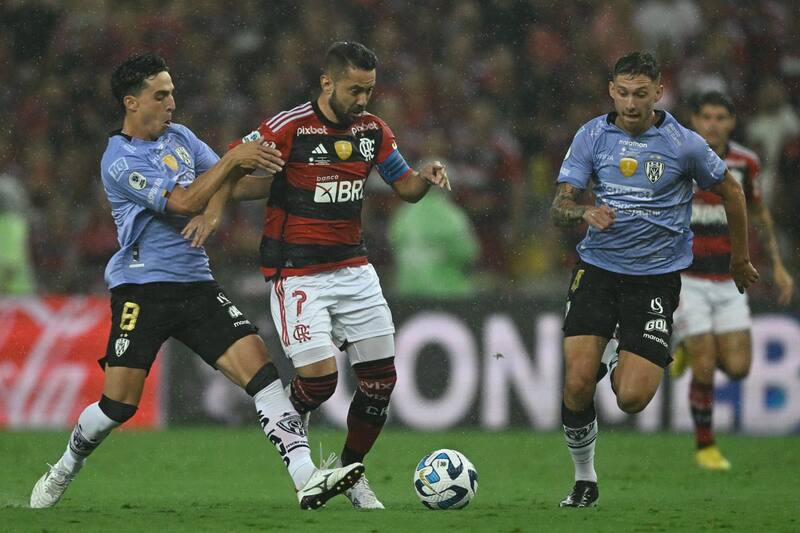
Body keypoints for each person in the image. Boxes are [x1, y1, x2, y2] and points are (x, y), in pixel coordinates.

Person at [30, 53, 364, 511]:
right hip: (142, 289)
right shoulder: (119, 159)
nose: (172, 102)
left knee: (263, 373)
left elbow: (231, 184)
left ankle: (306, 477)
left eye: (172, 92)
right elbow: (187, 201)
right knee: (118, 406)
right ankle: (67, 464)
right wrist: (232, 160)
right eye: (160, 95)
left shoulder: (181, 138)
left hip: (197, 285)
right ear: (131, 102)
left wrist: (294, 172)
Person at [224, 41, 450, 509]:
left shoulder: (373, 130)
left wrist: (425, 176)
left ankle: (349, 472)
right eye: (354, 90)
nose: (363, 100)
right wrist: (243, 180)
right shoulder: (290, 127)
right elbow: (230, 166)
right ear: (327, 83)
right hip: (298, 272)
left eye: (369, 90)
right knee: (321, 382)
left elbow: (403, 185)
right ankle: (286, 415)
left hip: (353, 267)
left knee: (380, 381)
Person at [550, 51, 758, 508]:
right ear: (611, 89)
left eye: (640, 94)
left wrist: (739, 260)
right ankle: (585, 479)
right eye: (622, 93)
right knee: (577, 381)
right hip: (598, 271)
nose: (630, 103)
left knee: (631, 399)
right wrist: (584, 209)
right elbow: (560, 206)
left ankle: (625, 354)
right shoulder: (591, 136)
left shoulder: (683, 143)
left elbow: (733, 191)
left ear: (658, 93)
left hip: (654, 281)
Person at [670, 91, 794, 470]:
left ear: (732, 122)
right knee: (706, 366)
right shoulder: (678, 156)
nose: (712, 124)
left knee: (738, 367)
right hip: (688, 277)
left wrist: (778, 264)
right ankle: (705, 445)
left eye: (720, 117)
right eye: (705, 116)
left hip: (729, 280)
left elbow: (759, 213)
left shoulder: (745, 162)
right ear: (694, 119)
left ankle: (689, 349)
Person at [388, 176, 479, 298]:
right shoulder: (451, 216)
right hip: (448, 295)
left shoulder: (403, 215)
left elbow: (393, 245)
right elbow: (469, 253)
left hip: (408, 293)